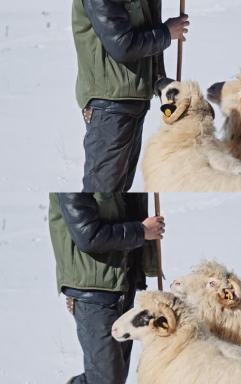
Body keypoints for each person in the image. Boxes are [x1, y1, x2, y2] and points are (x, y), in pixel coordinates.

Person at [72, 0, 190, 192]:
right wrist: (166, 33)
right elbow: (121, 45)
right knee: (101, 192)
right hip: (109, 107)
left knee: (119, 191)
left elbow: (144, 35)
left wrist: (162, 84)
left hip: (133, 103)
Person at [49, 193, 165, 384]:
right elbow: (88, 235)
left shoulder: (123, 169)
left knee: (115, 378)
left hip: (124, 282)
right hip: (93, 292)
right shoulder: (73, 180)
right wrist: (141, 231)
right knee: (105, 380)